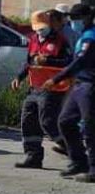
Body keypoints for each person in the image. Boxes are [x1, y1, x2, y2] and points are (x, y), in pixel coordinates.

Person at [11, 9, 72, 168]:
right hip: (34, 87)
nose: (40, 31)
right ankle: (33, 156)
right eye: (37, 28)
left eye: (43, 27)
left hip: (53, 88)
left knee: (47, 121)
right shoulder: (33, 40)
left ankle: (71, 148)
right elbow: (29, 62)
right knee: (28, 119)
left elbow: (68, 63)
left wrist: (49, 61)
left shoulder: (61, 41)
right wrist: (19, 77)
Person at [48, 3, 95, 182]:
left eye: (75, 19)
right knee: (65, 121)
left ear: (86, 18)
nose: (72, 22)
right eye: (71, 18)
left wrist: (56, 78)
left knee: (90, 128)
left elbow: (79, 63)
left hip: (90, 85)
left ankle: (93, 168)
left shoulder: (91, 37)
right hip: (80, 85)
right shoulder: (83, 36)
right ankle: (79, 161)